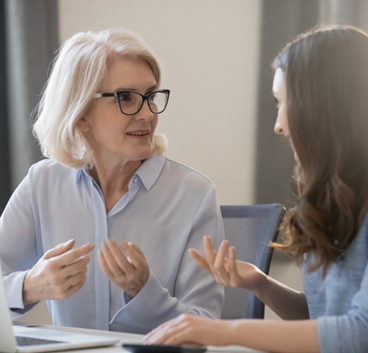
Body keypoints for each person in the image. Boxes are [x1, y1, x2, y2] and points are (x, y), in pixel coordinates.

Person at [144, 25, 368, 352]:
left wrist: (225, 331)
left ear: (323, 107)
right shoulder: (341, 197)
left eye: (283, 102)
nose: (278, 124)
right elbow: (324, 321)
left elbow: (358, 335)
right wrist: (260, 284)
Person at [0, 28, 225, 334]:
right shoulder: (42, 183)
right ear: (80, 114)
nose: (147, 113)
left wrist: (144, 292)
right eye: (126, 98)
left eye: (149, 96)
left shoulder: (195, 194)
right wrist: (29, 286)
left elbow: (206, 327)